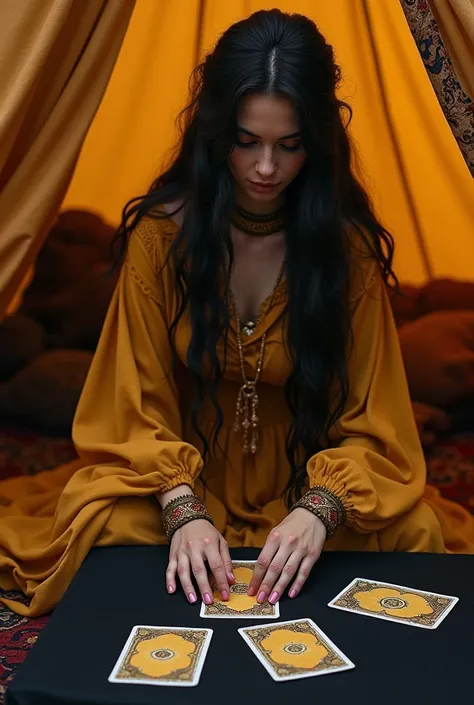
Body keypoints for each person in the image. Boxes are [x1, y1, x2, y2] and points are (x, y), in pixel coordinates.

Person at [1, 9, 474, 618]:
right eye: (247, 142)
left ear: (318, 140)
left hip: (305, 484)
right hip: (175, 485)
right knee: (107, 523)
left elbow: (376, 422)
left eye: (289, 145)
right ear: (216, 132)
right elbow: (130, 406)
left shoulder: (346, 249)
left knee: (416, 536)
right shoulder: (159, 238)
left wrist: (318, 510)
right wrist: (182, 511)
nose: (266, 168)